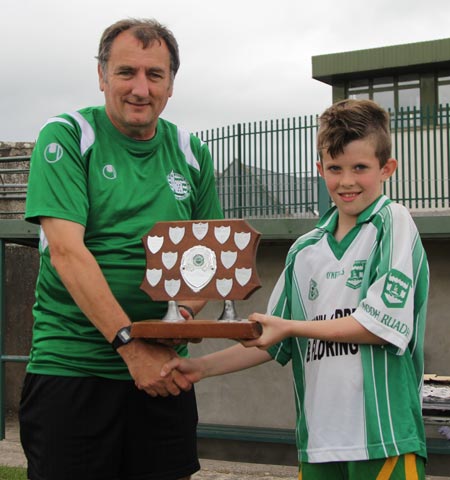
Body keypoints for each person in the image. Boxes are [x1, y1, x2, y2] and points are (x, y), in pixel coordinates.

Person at [162, 99, 429, 480]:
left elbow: (378, 325)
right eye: (335, 168)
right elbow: (273, 339)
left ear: (387, 169)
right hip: (318, 443)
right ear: (319, 169)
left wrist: (291, 327)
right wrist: (200, 368)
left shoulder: (392, 221)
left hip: (384, 440)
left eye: (360, 168)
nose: (347, 181)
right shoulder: (305, 250)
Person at [19, 18, 223, 480]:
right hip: (73, 370)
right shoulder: (68, 136)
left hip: (164, 378)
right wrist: (132, 348)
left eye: (155, 75)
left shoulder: (192, 152)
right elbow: (68, 254)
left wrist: (181, 317)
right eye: (126, 72)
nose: (140, 88)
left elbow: (205, 261)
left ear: (171, 83)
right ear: (101, 75)